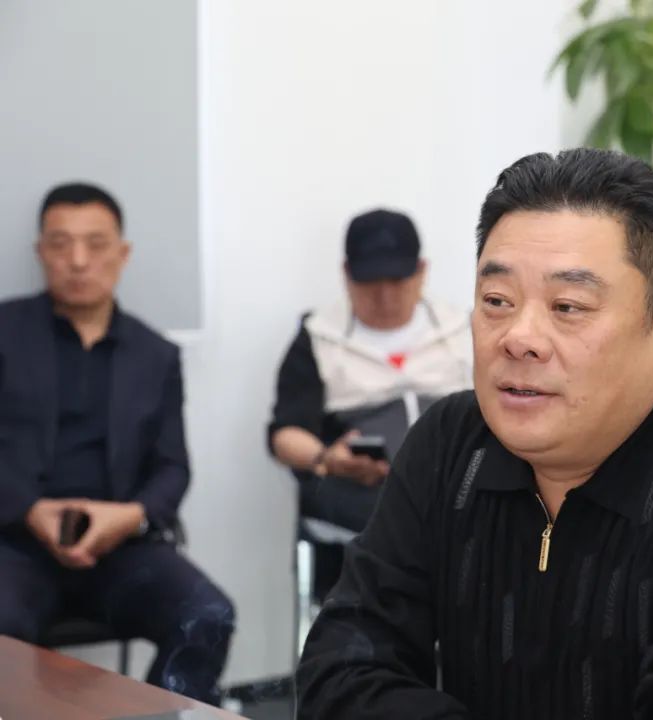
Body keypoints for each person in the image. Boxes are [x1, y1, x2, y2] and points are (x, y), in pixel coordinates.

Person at [296, 149, 653, 719]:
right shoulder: (449, 447)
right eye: (497, 302)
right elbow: (341, 669)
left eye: (568, 306)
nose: (519, 338)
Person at [0, 183, 234, 704]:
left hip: (119, 548)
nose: (78, 260)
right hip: (13, 545)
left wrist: (130, 516)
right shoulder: (6, 332)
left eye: (96, 243)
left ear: (122, 253)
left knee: (208, 614)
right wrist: (29, 510)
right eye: (61, 243)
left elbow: (172, 467)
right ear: (40, 252)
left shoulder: (156, 354)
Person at [268, 209, 471, 595]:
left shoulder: (464, 330)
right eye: (370, 283)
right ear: (346, 274)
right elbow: (285, 434)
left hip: (454, 484)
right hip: (362, 494)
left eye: (397, 281)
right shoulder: (319, 336)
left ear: (421, 272)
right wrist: (326, 458)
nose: (385, 297)